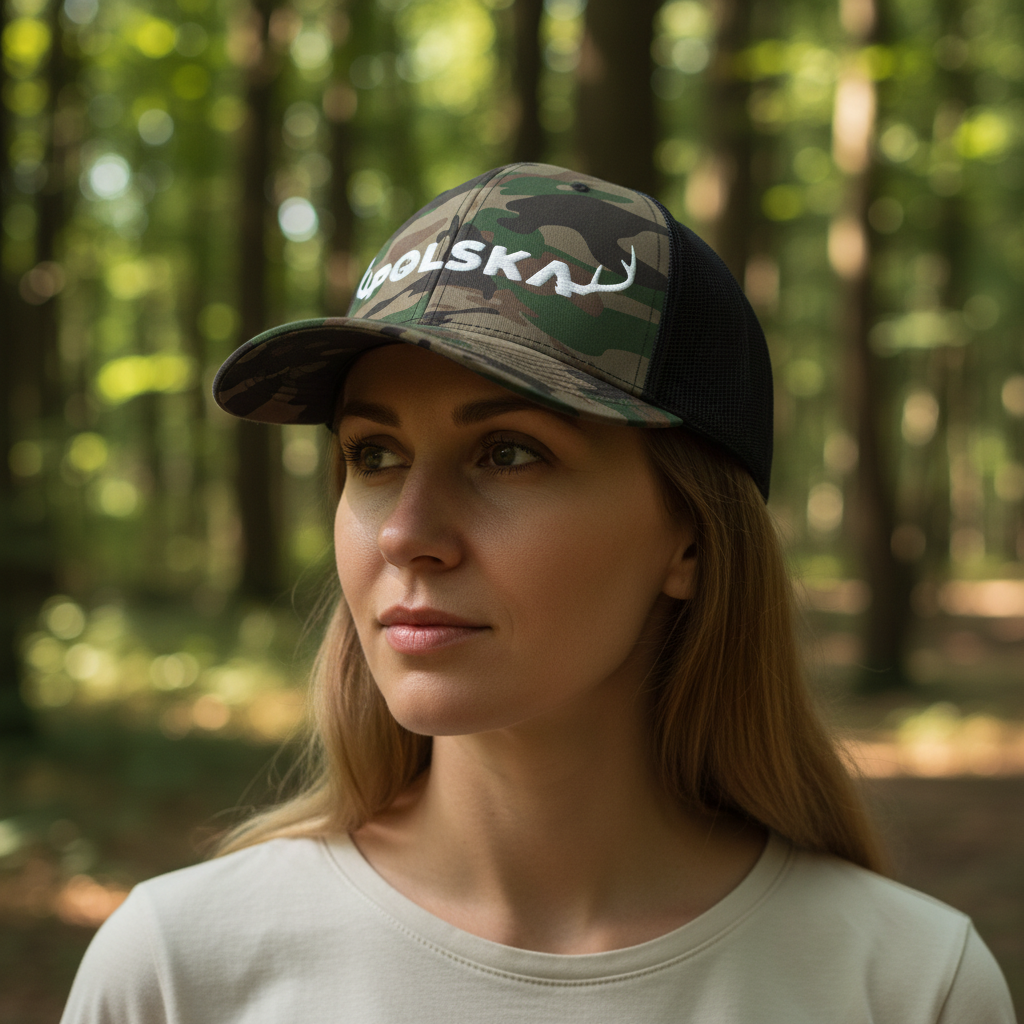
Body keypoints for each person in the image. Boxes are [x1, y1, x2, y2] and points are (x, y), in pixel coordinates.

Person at [61, 163, 1015, 1023]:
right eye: (374, 455)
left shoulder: (904, 985)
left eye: (509, 452)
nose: (406, 534)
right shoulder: (181, 972)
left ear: (690, 537)